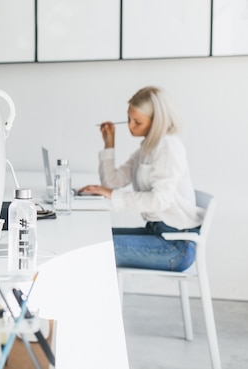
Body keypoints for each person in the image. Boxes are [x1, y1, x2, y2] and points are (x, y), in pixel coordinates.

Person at [79, 86, 203, 272]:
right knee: (92, 239)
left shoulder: (168, 147)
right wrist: (109, 143)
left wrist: (112, 195)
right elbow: (112, 182)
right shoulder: (145, 150)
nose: (130, 126)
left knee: (91, 250)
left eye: (137, 121)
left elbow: (159, 200)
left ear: (157, 122)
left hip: (174, 245)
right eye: (129, 119)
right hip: (155, 232)